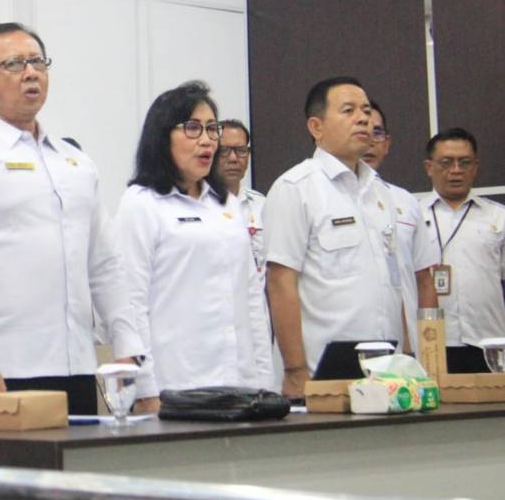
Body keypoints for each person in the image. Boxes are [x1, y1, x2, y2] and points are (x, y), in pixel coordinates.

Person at [0, 21, 143, 419]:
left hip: (77, 367)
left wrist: (128, 348)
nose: (31, 73)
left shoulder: (75, 162)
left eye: (38, 62)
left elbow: (105, 266)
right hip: (0, 371)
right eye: (15, 64)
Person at [117, 84, 272, 397]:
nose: (206, 140)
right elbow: (131, 303)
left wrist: (265, 382)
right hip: (176, 384)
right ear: (162, 136)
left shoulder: (227, 204)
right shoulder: (142, 203)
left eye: (212, 129)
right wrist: (144, 390)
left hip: (240, 382)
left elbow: (251, 299)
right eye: (192, 128)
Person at [264, 77, 404, 400]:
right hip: (323, 374)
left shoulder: (380, 191)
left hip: (388, 371)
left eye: (366, 111)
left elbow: (393, 283)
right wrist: (295, 371)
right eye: (349, 110)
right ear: (316, 127)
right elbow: (280, 282)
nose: (363, 119)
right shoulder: (295, 188)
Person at [420, 128, 505, 374]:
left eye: (464, 163)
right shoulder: (411, 217)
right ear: (429, 167)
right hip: (429, 342)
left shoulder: (498, 217)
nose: (456, 170)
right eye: (446, 162)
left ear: (475, 168)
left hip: (488, 341)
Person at [360, 102, 437, 351]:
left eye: (377, 133)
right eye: (363, 131)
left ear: (387, 144)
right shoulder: (320, 196)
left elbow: (424, 280)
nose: (370, 141)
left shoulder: (406, 201)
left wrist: (431, 348)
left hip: (408, 348)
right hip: (348, 344)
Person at [218, 118, 266, 277]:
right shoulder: (199, 204)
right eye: (224, 150)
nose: (233, 158)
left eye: (241, 150)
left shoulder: (262, 205)